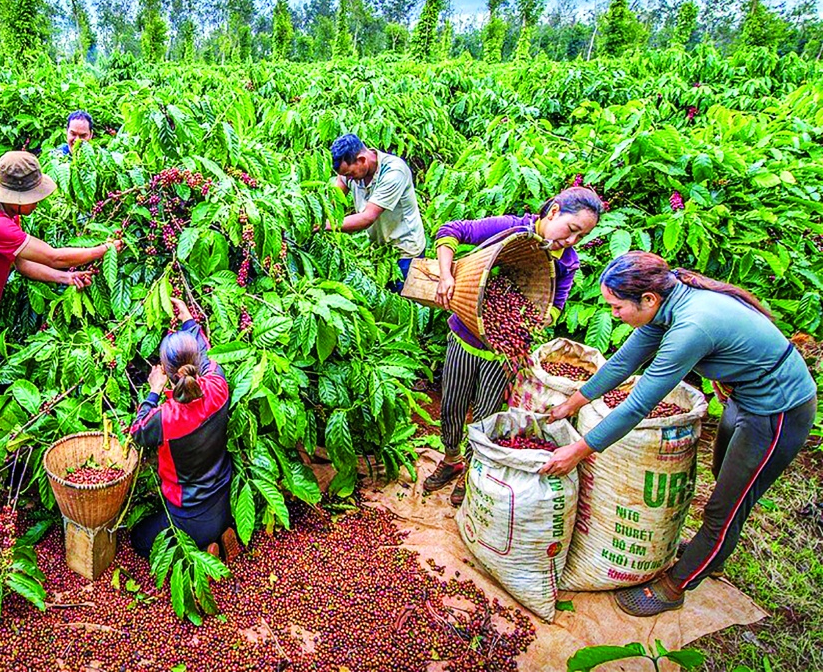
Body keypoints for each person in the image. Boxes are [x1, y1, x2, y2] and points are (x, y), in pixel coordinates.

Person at [543, 251, 817, 617]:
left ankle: (676, 586)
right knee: (724, 481)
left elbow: (639, 404)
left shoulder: (690, 327)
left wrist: (578, 450)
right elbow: (624, 362)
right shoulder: (665, 306)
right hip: (742, 399)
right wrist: (571, 404)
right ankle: (712, 553)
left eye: (616, 307)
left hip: (777, 412)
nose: (613, 315)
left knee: (725, 507)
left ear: (648, 300)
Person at [424, 187, 604, 506]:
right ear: (553, 212)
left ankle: (472, 473)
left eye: (582, 236)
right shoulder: (512, 228)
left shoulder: (567, 263)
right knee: (451, 406)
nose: (573, 241)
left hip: (503, 353)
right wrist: (446, 276)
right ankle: (452, 460)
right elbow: (450, 231)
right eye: (572, 230)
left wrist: (541, 317)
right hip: (464, 337)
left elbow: (556, 305)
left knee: (485, 417)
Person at [0, 151, 122, 427]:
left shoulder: (2, 211)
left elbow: (21, 264)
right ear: (17, 198)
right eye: (33, 196)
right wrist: (104, 250)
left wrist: (65, 279)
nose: (38, 200)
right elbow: (53, 255)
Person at [128, 297, 239, 561]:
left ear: (166, 372)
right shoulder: (217, 383)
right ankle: (221, 534)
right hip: (223, 499)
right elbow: (205, 351)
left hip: (188, 514)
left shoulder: (166, 417)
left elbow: (137, 430)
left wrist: (153, 391)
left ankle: (199, 553)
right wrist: (188, 318)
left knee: (139, 540)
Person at [328, 134, 426, 290]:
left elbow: (367, 218)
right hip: (380, 250)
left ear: (361, 160)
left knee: (405, 300)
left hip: (405, 251)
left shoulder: (393, 172)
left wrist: (326, 225)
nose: (349, 179)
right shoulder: (349, 172)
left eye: (350, 174)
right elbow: (336, 193)